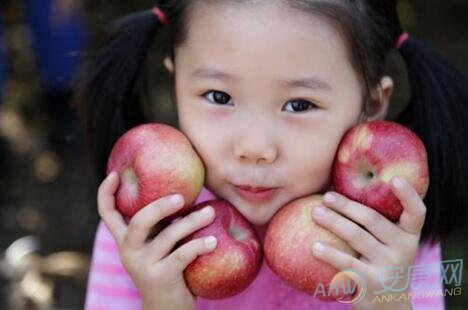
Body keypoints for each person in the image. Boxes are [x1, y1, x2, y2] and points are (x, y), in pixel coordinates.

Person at [80, 1, 468, 309]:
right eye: (219, 97)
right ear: (176, 80)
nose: (255, 148)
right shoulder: (146, 235)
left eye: (299, 104)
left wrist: (388, 303)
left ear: (372, 105)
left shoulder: (387, 241)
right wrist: (162, 304)